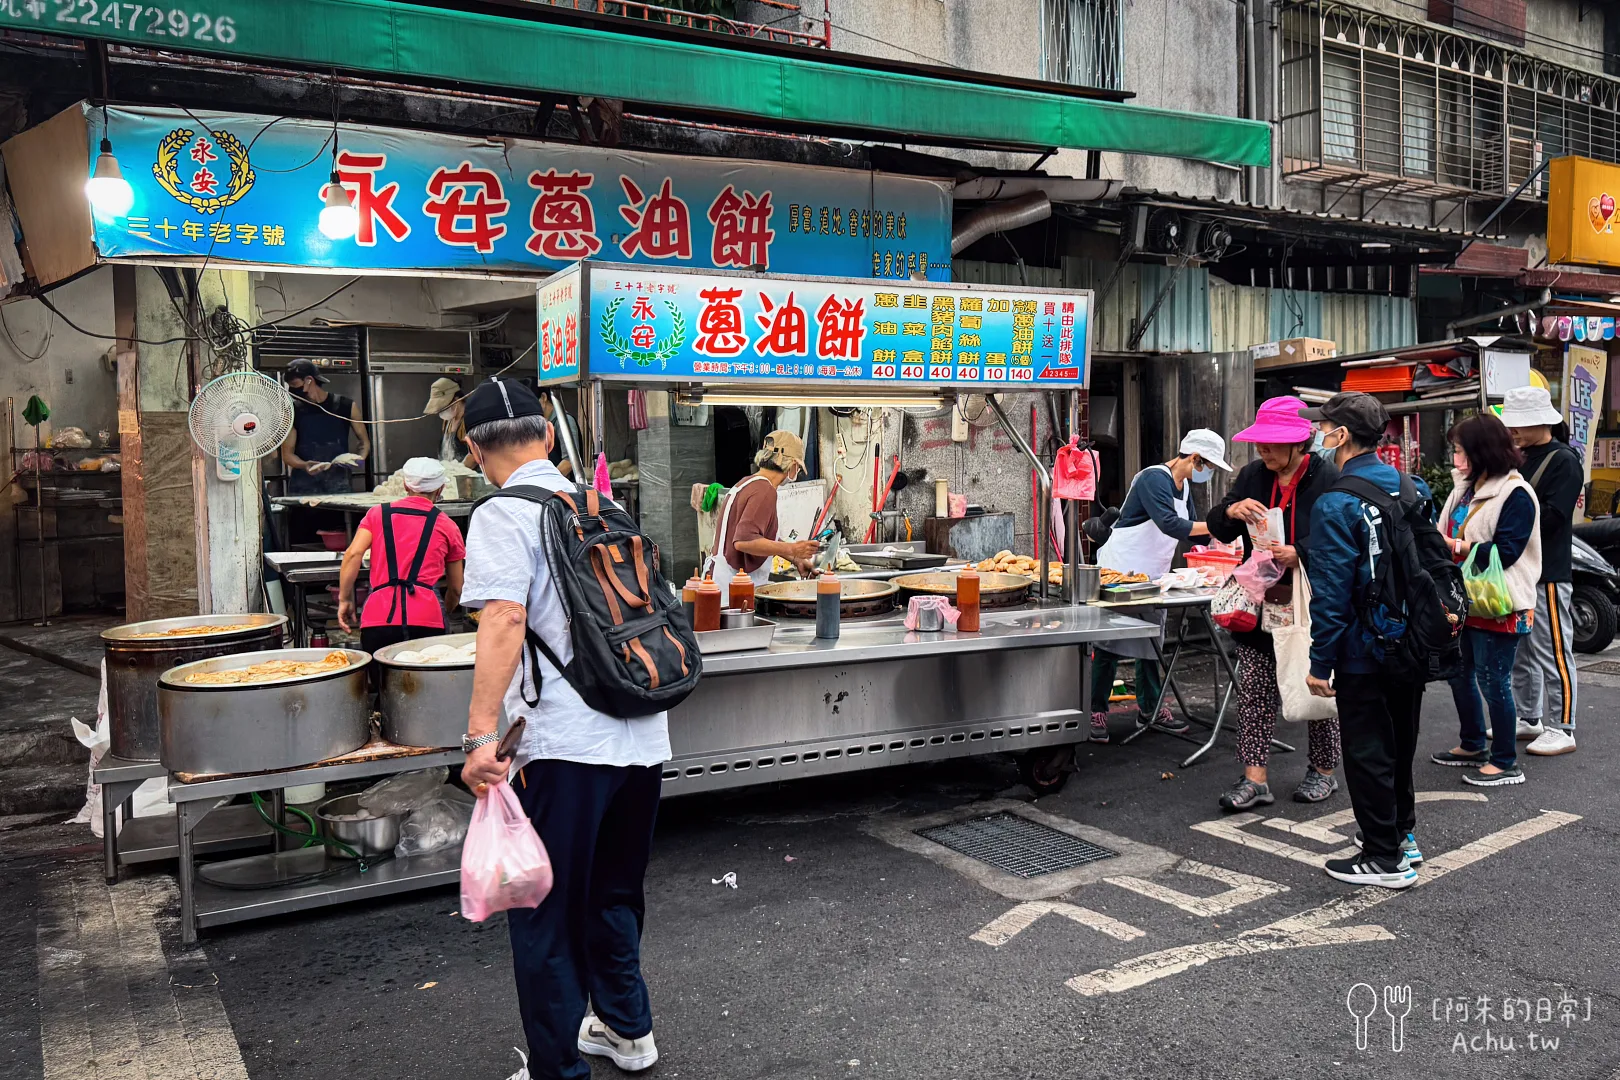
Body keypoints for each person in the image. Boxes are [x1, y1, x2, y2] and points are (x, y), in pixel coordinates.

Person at [457, 378, 667, 1080]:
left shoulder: (501, 513)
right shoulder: (603, 504)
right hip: (641, 733)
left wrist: (479, 736)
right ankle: (626, 1030)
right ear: (547, 433)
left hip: (567, 745)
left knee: (543, 910)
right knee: (613, 892)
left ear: (472, 448)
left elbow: (504, 619)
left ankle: (557, 1070)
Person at [1302, 392, 1424, 888]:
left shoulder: (1336, 502)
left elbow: (1331, 594)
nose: (1319, 434)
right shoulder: (1409, 486)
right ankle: (1402, 837)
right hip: (1413, 638)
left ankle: (1383, 858)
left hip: (1362, 647)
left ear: (1343, 436)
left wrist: (1319, 662)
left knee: (1369, 750)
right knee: (1399, 744)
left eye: (1324, 426)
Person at [1206, 396, 1342, 809]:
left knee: (1314, 684)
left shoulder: (1327, 478)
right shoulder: (1252, 475)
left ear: (1300, 444)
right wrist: (1231, 510)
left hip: (1309, 599)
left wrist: (1300, 550)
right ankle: (1254, 779)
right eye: (1260, 443)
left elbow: (1339, 538)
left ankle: (1323, 771)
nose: (1262, 450)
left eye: (1272, 444)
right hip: (1262, 599)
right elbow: (1220, 528)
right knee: (1256, 688)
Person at [1091, 429, 1231, 741]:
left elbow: (1190, 530)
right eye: (1209, 466)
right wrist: (1220, 523)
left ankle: (1150, 708)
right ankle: (1095, 710)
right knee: (1109, 644)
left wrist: (1218, 542)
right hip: (1120, 570)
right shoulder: (1154, 479)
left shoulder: (1183, 488)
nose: (1209, 473)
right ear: (1195, 459)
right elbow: (1169, 523)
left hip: (1153, 575)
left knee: (1151, 642)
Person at [1430, 415, 1540, 787]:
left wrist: (1457, 547)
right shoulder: (1465, 487)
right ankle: (1472, 743)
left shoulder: (1516, 493)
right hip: (1463, 599)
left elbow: (1508, 551)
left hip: (1499, 602)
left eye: (1460, 451)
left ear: (1482, 452)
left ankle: (1506, 760)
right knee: (1459, 674)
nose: (1456, 460)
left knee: (1493, 680)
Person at [1501, 385, 1584, 757]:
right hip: (1520, 569)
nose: (1513, 431)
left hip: (1547, 570)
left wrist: (1509, 523)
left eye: (1520, 424)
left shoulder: (1563, 460)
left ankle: (1562, 726)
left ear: (1542, 421)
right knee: (1521, 649)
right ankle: (1529, 717)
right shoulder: (1520, 457)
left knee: (1553, 650)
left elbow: (1553, 516)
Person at [336, 457, 466, 654]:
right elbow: (456, 588)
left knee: (379, 682)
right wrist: (444, 611)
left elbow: (353, 554)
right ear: (440, 489)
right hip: (427, 617)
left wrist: (345, 598)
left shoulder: (377, 514)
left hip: (379, 617)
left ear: (405, 484)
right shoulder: (447, 525)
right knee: (428, 682)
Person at [706, 430, 821, 606]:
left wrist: (795, 559)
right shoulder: (765, 491)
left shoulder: (747, 483)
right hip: (730, 593)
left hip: (720, 586)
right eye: (798, 467)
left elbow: (760, 537)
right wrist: (792, 549)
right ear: (791, 465)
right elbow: (744, 541)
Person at [279, 358, 370, 494]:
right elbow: (287, 455)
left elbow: (364, 443)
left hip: (339, 486)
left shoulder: (346, 406)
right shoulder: (292, 411)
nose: (291, 389)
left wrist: (359, 459)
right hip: (304, 487)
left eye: (294, 384)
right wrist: (304, 465)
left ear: (309, 380)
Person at [536, 387, 583, 479]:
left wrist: (547, 482)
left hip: (565, 488)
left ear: (543, 397)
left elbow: (570, 461)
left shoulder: (564, 422)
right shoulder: (545, 423)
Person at [423, 377, 471, 465]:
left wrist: (459, 470)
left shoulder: (471, 419)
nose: (440, 411)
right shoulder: (447, 421)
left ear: (456, 400)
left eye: (443, 407)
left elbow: (476, 454)